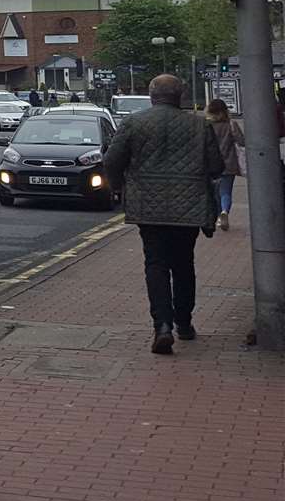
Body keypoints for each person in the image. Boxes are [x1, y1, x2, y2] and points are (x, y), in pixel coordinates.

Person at [101, 74, 221, 355]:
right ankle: (185, 324)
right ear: (180, 96)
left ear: (153, 96)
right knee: (183, 264)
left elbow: (111, 161)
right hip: (188, 205)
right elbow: (216, 166)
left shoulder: (134, 122)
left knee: (155, 264)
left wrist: (119, 188)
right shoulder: (199, 126)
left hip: (148, 205)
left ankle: (162, 326)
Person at [205, 98, 243, 231]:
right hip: (229, 163)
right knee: (226, 192)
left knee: (214, 193)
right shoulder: (231, 124)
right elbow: (241, 141)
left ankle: (218, 215)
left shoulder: (206, 125)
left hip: (210, 164)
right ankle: (225, 212)